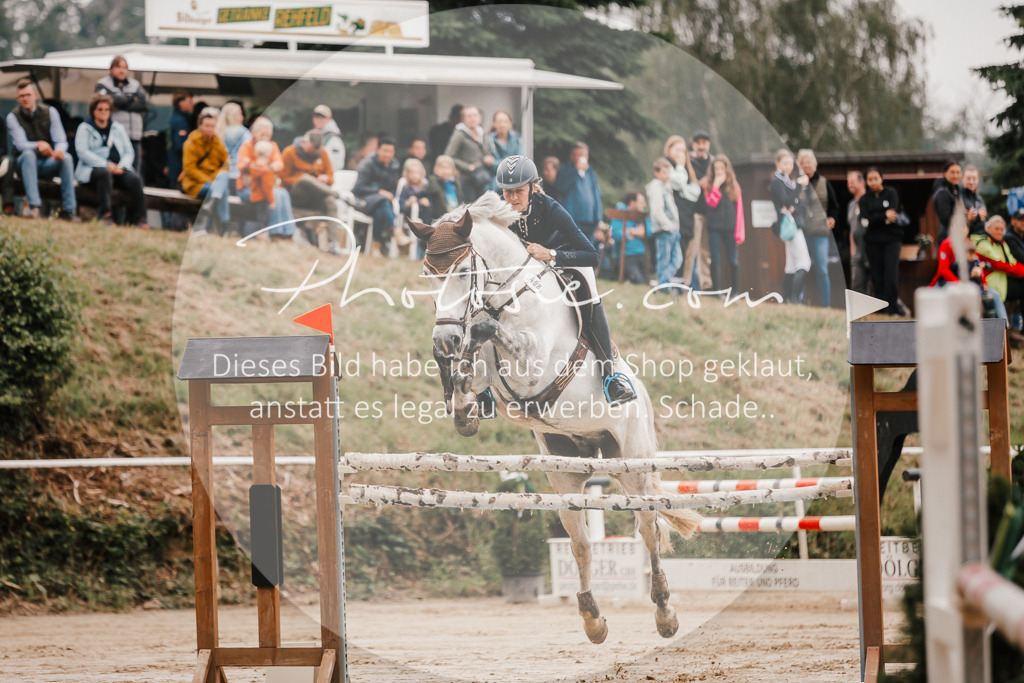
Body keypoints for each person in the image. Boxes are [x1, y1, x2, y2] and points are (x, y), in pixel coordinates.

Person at [494, 154, 636, 405]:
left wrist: (550, 254)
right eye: (507, 193)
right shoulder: (498, 209)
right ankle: (484, 387)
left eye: (518, 191)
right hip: (523, 270)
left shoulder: (549, 207)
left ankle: (610, 377)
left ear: (532, 187)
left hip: (564, 261)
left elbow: (591, 254)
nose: (513, 198)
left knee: (589, 292)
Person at [6, 78, 77, 220]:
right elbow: (21, 145)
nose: (25, 99)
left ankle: (69, 210)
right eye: (22, 96)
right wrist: (38, 144)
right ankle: (34, 207)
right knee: (28, 154)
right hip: (24, 165)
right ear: (17, 98)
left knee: (67, 158)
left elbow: (61, 140)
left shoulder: (51, 112)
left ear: (35, 95)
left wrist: (59, 151)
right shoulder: (13, 117)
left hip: (46, 164)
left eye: (28, 95)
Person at [74, 93, 146, 228]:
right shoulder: (84, 128)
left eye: (106, 109)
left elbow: (128, 151)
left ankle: (140, 219)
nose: (103, 112)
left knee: (135, 179)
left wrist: (123, 166)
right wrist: (106, 165)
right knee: (104, 174)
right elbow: (82, 153)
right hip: (92, 170)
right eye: (100, 109)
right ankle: (105, 215)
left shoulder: (117, 127)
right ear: (93, 111)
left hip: (118, 169)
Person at [282, 130, 344, 254]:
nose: (313, 154)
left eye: (316, 152)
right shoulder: (290, 152)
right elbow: (283, 178)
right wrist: (308, 180)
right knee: (305, 179)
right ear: (304, 143)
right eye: (311, 150)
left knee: (330, 202)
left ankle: (334, 244)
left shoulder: (323, 153)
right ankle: (339, 195)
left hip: (317, 195)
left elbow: (331, 177)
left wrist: (326, 178)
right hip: (297, 194)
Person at [236, 116, 295, 240]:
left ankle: (288, 232)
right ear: (254, 133)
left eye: (268, 136)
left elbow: (280, 163)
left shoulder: (272, 146)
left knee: (283, 193)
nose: (265, 139)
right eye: (262, 135)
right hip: (249, 188)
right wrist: (248, 164)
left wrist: (275, 166)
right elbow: (240, 166)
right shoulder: (247, 146)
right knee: (273, 194)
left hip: (267, 185)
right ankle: (275, 232)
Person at [796, 149, 839, 306]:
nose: (806, 164)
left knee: (822, 269)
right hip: (802, 232)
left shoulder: (824, 183)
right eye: (803, 162)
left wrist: (832, 218)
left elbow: (834, 206)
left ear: (814, 163)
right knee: (802, 268)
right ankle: (800, 301)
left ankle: (825, 304)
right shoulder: (796, 183)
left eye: (809, 161)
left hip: (820, 232)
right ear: (799, 165)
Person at [858, 167, 903, 315]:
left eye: (875, 179)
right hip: (872, 242)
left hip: (892, 240)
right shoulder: (864, 199)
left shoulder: (891, 193)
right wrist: (883, 216)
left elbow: (892, 215)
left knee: (891, 274)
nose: (873, 182)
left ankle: (893, 309)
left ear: (881, 178)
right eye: (869, 180)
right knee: (877, 276)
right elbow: (864, 220)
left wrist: (874, 217)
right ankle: (881, 310)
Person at [94, 56, 148, 177]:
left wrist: (121, 104)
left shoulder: (135, 84)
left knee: (134, 173)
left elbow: (144, 104)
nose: (122, 71)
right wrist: (131, 98)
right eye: (118, 67)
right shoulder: (103, 84)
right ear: (111, 69)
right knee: (116, 171)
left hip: (134, 135)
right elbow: (109, 101)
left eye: (125, 68)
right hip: (114, 137)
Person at [769, 149, 811, 303]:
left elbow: (798, 204)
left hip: (793, 223)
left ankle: (788, 299)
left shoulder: (787, 180)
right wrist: (799, 187)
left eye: (790, 163)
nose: (788, 166)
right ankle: (793, 299)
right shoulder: (777, 181)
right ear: (777, 163)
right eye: (784, 163)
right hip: (790, 226)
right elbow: (787, 201)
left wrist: (794, 204)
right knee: (804, 263)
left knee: (792, 265)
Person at [930, 236, 1003, 319]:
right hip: (966, 288)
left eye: (973, 254)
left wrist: (983, 279)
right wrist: (969, 277)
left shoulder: (975, 261)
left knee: (990, 298)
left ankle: (996, 321)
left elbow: (986, 267)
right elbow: (955, 275)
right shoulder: (960, 265)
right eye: (969, 254)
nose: (972, 256)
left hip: (977, 287)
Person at [353, 135, 404, 253]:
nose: (387, 154)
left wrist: (386, 195)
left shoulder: (394, 166)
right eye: (385, 151)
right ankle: (395, 230)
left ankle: (376, 246)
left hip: (381, 204)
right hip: (363, 201)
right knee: (382, 201)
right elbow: (358, 188)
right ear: (378, 150)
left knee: (381, 207)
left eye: (390, 151)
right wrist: (378, 191)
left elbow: (393, 189)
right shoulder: (367, 164)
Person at [181, 108, 229, 234]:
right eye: (207, 126)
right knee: (222, 191)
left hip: (214, 181)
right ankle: (224, 225)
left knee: (222, 178)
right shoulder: (191, 143)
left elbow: (225, 164)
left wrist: (216, 178)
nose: (210, 129)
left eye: (213, 126)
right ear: (199, 126)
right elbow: (190, 169)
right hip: (195, 183)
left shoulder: (217, 142)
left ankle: (203, 226)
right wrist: (210, 180)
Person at [703, 154, 745, 294]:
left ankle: (735, 292)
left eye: (722, 168)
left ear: (727, 169)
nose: (719, 171)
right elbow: (711, 203)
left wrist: (739, 233)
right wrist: (716, 185)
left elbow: (739, 212)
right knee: (715, 259)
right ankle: (716, 291)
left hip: (730, 229)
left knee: (733, 260)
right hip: (714, 228)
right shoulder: (709, 185)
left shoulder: (735, 187)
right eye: (716, 168)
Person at [972, 215, 1024, 315]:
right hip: (990, 283)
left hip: (1001, 280)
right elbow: (1001, 265)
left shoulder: (1001, 243)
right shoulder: (983, 244)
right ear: (988, 228)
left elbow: (1012, 263)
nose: (1000, 232)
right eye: (996, 229)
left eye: (1002, 229)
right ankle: (1007, 326)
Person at [553, 141, 603, 243]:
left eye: (583, 155)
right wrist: (576, 170)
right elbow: (559, 187)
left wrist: (598, 218)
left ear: (587, 156)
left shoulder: (590, 172)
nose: (582, 157)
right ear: (572, 156)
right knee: (573, 249)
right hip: (573, 220)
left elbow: (596, 195)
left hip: (590, 222)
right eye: (578, 155)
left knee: (588, 251)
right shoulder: (565, 170)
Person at [444, 105, 494, 201]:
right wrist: (467, 167)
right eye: (469, 116)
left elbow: (486, 151)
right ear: (463, 119)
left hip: (481, 176)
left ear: (480, 118)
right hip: (466, 179)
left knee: (483, 206)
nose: (472, 118)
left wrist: (488, 158)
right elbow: (448, 156)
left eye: (475, 115)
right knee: (470, 208)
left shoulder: (481, 132)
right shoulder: (459, 133)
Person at [645, 158, 682, 288]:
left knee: (678, 260)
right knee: (664, 260)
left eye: (669, 172)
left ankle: (662, 283)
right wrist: (669, 226)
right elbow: (657, 211)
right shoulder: (656, 188)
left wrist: (674, 227)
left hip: (673, 230)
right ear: (657, 173)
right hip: (663, 231)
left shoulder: (667, 187)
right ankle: (663, 287)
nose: (667, 175)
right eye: (664, 172)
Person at [609, 191, 651, 285]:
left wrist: (629, 231)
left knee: (647, 283)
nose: (644, 205)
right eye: (641, 202)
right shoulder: (619, 214)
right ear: (632, 202)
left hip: (642, 255)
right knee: (640, 283)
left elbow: (649, 232)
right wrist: (636, 231)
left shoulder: (642, 215)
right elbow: (617, 235)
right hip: (626, 255)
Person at [484, 110, 522, 191]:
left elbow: (518, 162)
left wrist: (494, 163)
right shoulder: (487, 139)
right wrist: (509, 163)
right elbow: (487, 163)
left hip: (513, 182)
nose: (502, 125)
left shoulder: (517, 139)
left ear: (510, 123)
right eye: (499, 122)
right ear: (494, 124)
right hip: (493, 184)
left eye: (505, 121)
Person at [214, 103, 251, 183]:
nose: (242, 117)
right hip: (238, 174)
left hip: (219, 175)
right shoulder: (243, 132)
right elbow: (249, 152)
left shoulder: (217, 133)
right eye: (240, 114)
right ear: (233, 116)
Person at [165, 89, 194, 189]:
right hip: (178, 168)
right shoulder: (179, 121)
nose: (192, 104)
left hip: (174, 166)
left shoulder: (176, 118)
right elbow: (180, 146)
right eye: (189, 101)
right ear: (181, 103)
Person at [847, 170, 869, 294]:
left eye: (852, 182)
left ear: (861, 182)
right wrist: (852, 251)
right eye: (848, 183)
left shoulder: (870, 200)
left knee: (879, 284)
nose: (849, 185)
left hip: (870, 249)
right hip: (857, 252)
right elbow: (852, 229)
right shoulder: (850, 205)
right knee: (857, 285)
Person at [932, 160, 962, 245]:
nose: (955, 175)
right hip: (948, 237)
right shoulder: (942, 193)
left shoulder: (958, 190)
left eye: (958, 172)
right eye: (952, 172)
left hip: (958, 236)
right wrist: (966, 217)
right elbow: (945, 219)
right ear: (945, 173)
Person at [312, 104, 345, 175]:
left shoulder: (334, 139)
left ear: (330, 119)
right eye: (317, 116)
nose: (319, 119)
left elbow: (336, 164)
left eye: (323, 117)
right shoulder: (312, 135)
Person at [962, 164, 988, 235]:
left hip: (981, 235)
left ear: (978, 180)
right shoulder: (959, 196)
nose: (971, 182)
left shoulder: (978, 197)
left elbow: (985, 216)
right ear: (962, 179)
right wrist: (976, 216)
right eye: (968, 178)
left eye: (974, 178)